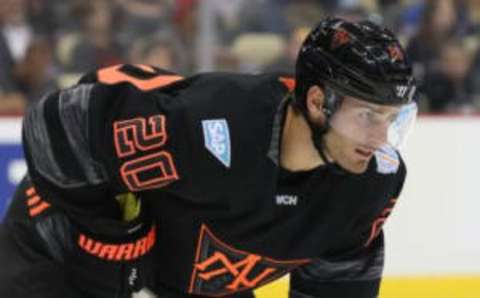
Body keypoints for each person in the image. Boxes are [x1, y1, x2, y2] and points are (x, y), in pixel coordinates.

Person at [0, 17, 417, 298]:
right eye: (366, 116)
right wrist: (116, 240)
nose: (381, 137)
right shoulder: (214, 129)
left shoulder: (371, 183)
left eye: (392, 119)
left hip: (186, 281)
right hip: (59, 247)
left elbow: (338, 284)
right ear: (316, 102)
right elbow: (56, 125)